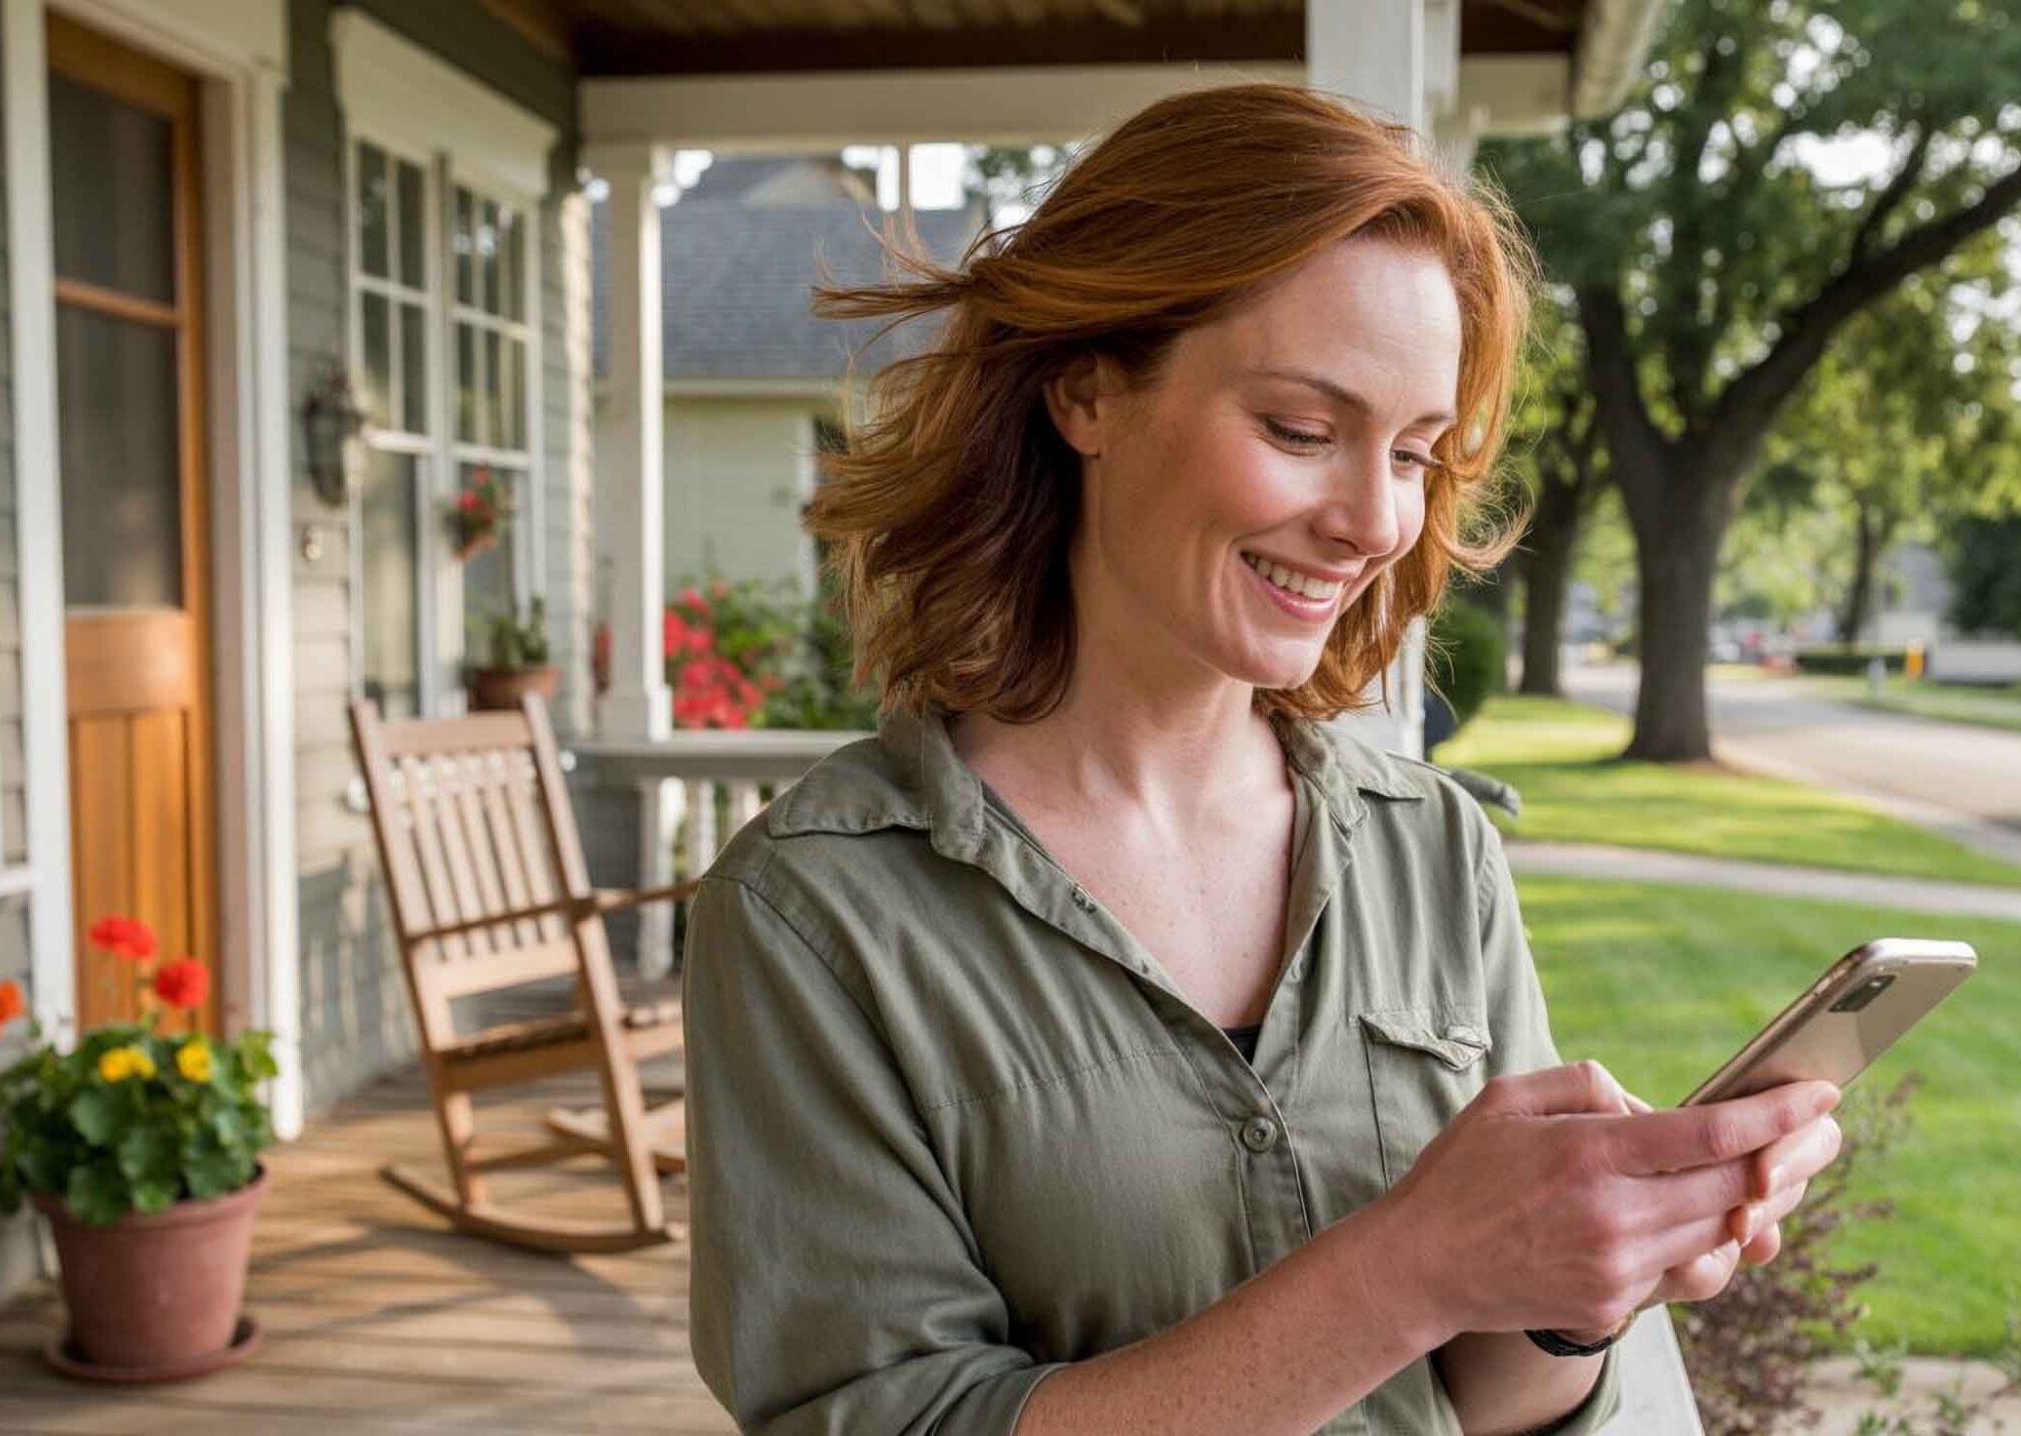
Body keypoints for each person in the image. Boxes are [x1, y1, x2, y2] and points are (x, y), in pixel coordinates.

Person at [680, 82, 1843, 1435]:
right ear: (1085, 390)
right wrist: (1411, 1265)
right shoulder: (817, 920)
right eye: (1301, 430)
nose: (1372, 521)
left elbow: (1498, 1401)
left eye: (1414, 454)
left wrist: (1574, 1288)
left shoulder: (1433, 851)